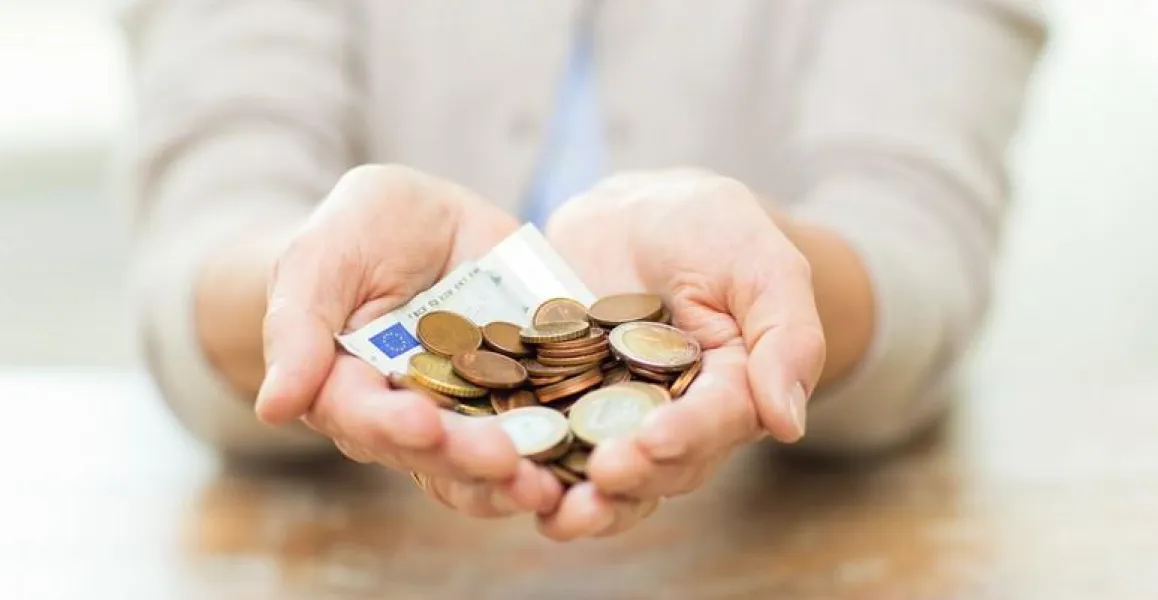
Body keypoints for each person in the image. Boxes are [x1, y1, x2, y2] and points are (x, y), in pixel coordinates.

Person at [119, 1, 1046, 541]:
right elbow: (209, 209)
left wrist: (772, 274)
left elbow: (918, 243)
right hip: (353, 536)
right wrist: (303, 280)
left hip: (783, 538)